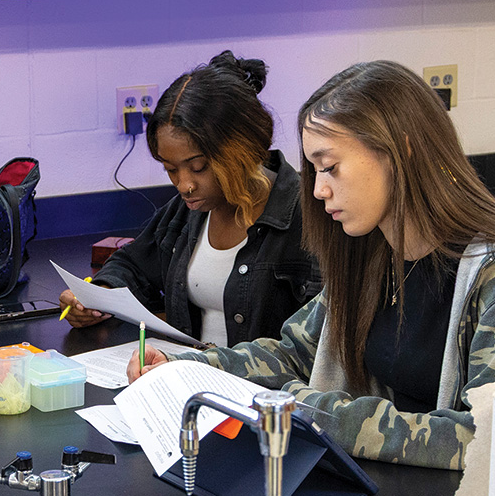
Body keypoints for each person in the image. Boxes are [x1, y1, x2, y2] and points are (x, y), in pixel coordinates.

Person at [129, 60, 495, 471]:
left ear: (400, 153)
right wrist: (188, 368)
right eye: (314, 170)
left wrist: (318, 413)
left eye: (330, 167)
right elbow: (294, 353)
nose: (319, 190)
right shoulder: (372, 252)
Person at [59, 50, 321, 348]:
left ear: (241, 149)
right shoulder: (189, 213)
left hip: (265, 391)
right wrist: (99, 296)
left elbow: (312, 350)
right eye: (171, 170)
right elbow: (133, 265)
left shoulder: (309, 218)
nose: (184, 186)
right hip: (191, 384)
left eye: (199, 168)